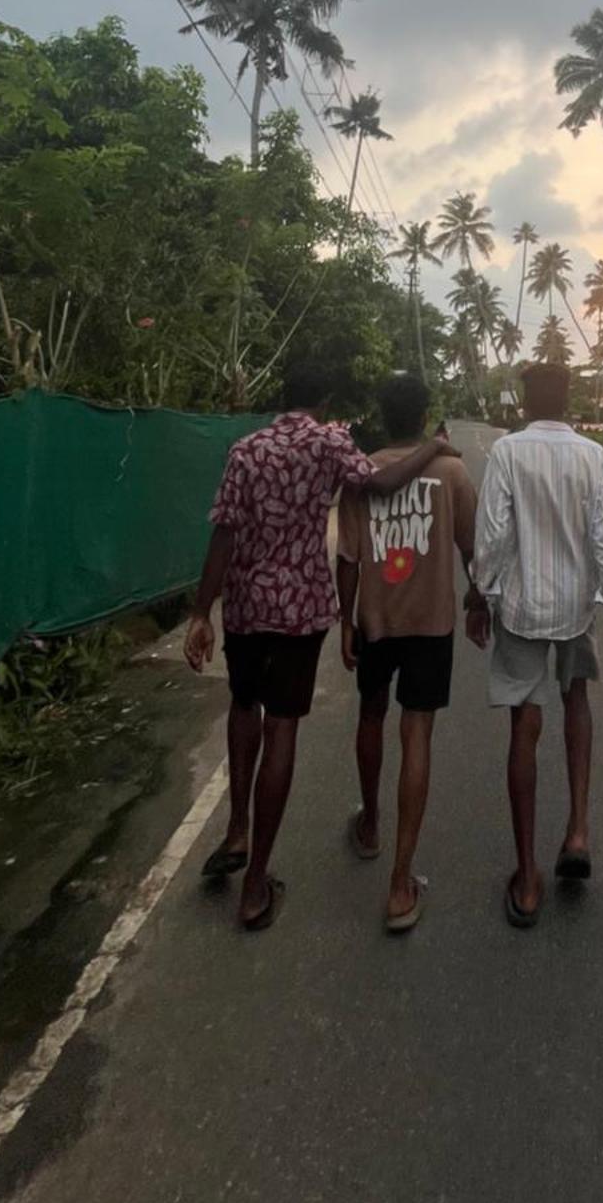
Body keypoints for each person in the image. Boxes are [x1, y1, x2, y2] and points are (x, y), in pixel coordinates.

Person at [184, 361, 456, 931]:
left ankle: (236, 828)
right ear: (325, 400)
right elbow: (379, 483)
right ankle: (256, 884)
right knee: (282, 727)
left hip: (246, 605)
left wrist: (199, 613)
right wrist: (433, 450)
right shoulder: (329, 443)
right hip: (300, 609)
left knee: (244, 709)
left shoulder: (245, 449)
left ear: (283, 395)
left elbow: (224, 531)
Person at [468, 361, 603, 927]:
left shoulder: (508, 454)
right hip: (575, 607)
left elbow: (491, 537)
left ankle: (526, 876)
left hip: (520, 607)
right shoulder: (592, 456)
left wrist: (477, 594)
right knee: (578, 702)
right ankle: (579, 831)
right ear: (569, 401)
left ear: (523, 402)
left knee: (525, 724)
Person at [336, 376, 476, 933]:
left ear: (380, 413)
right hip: (431, 623)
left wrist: (343, 621)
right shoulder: (452, 472)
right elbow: (473, 549)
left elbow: (348, 557)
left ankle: (370, 823)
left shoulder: (362, 474)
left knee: (371, 713)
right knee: (416, 734)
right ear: (425, 416)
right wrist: (480, 599)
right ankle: (400, 884)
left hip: (376, 619)